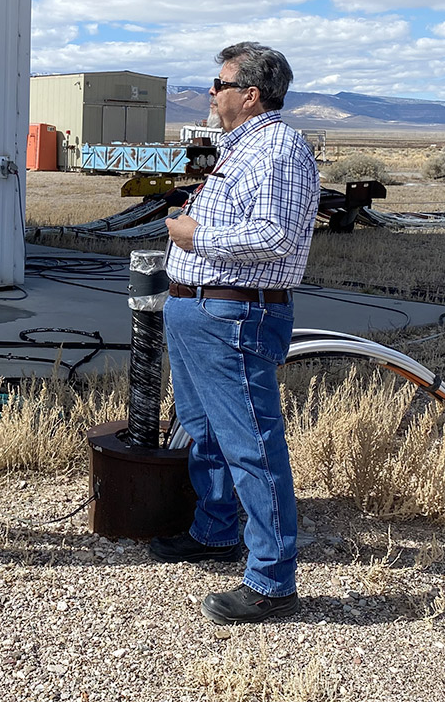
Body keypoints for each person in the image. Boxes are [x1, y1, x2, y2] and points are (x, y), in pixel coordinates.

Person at [149, 42, 320, 624]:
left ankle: (273, 580)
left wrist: (197, 237)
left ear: (250, 94)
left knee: (251, 444)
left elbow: (279, 237)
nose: (211, 93)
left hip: (234, 314)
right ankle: (215, 531)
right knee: (205, 433)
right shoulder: (238, 150)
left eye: (218, 84)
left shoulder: (279, 146)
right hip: (198, 311)